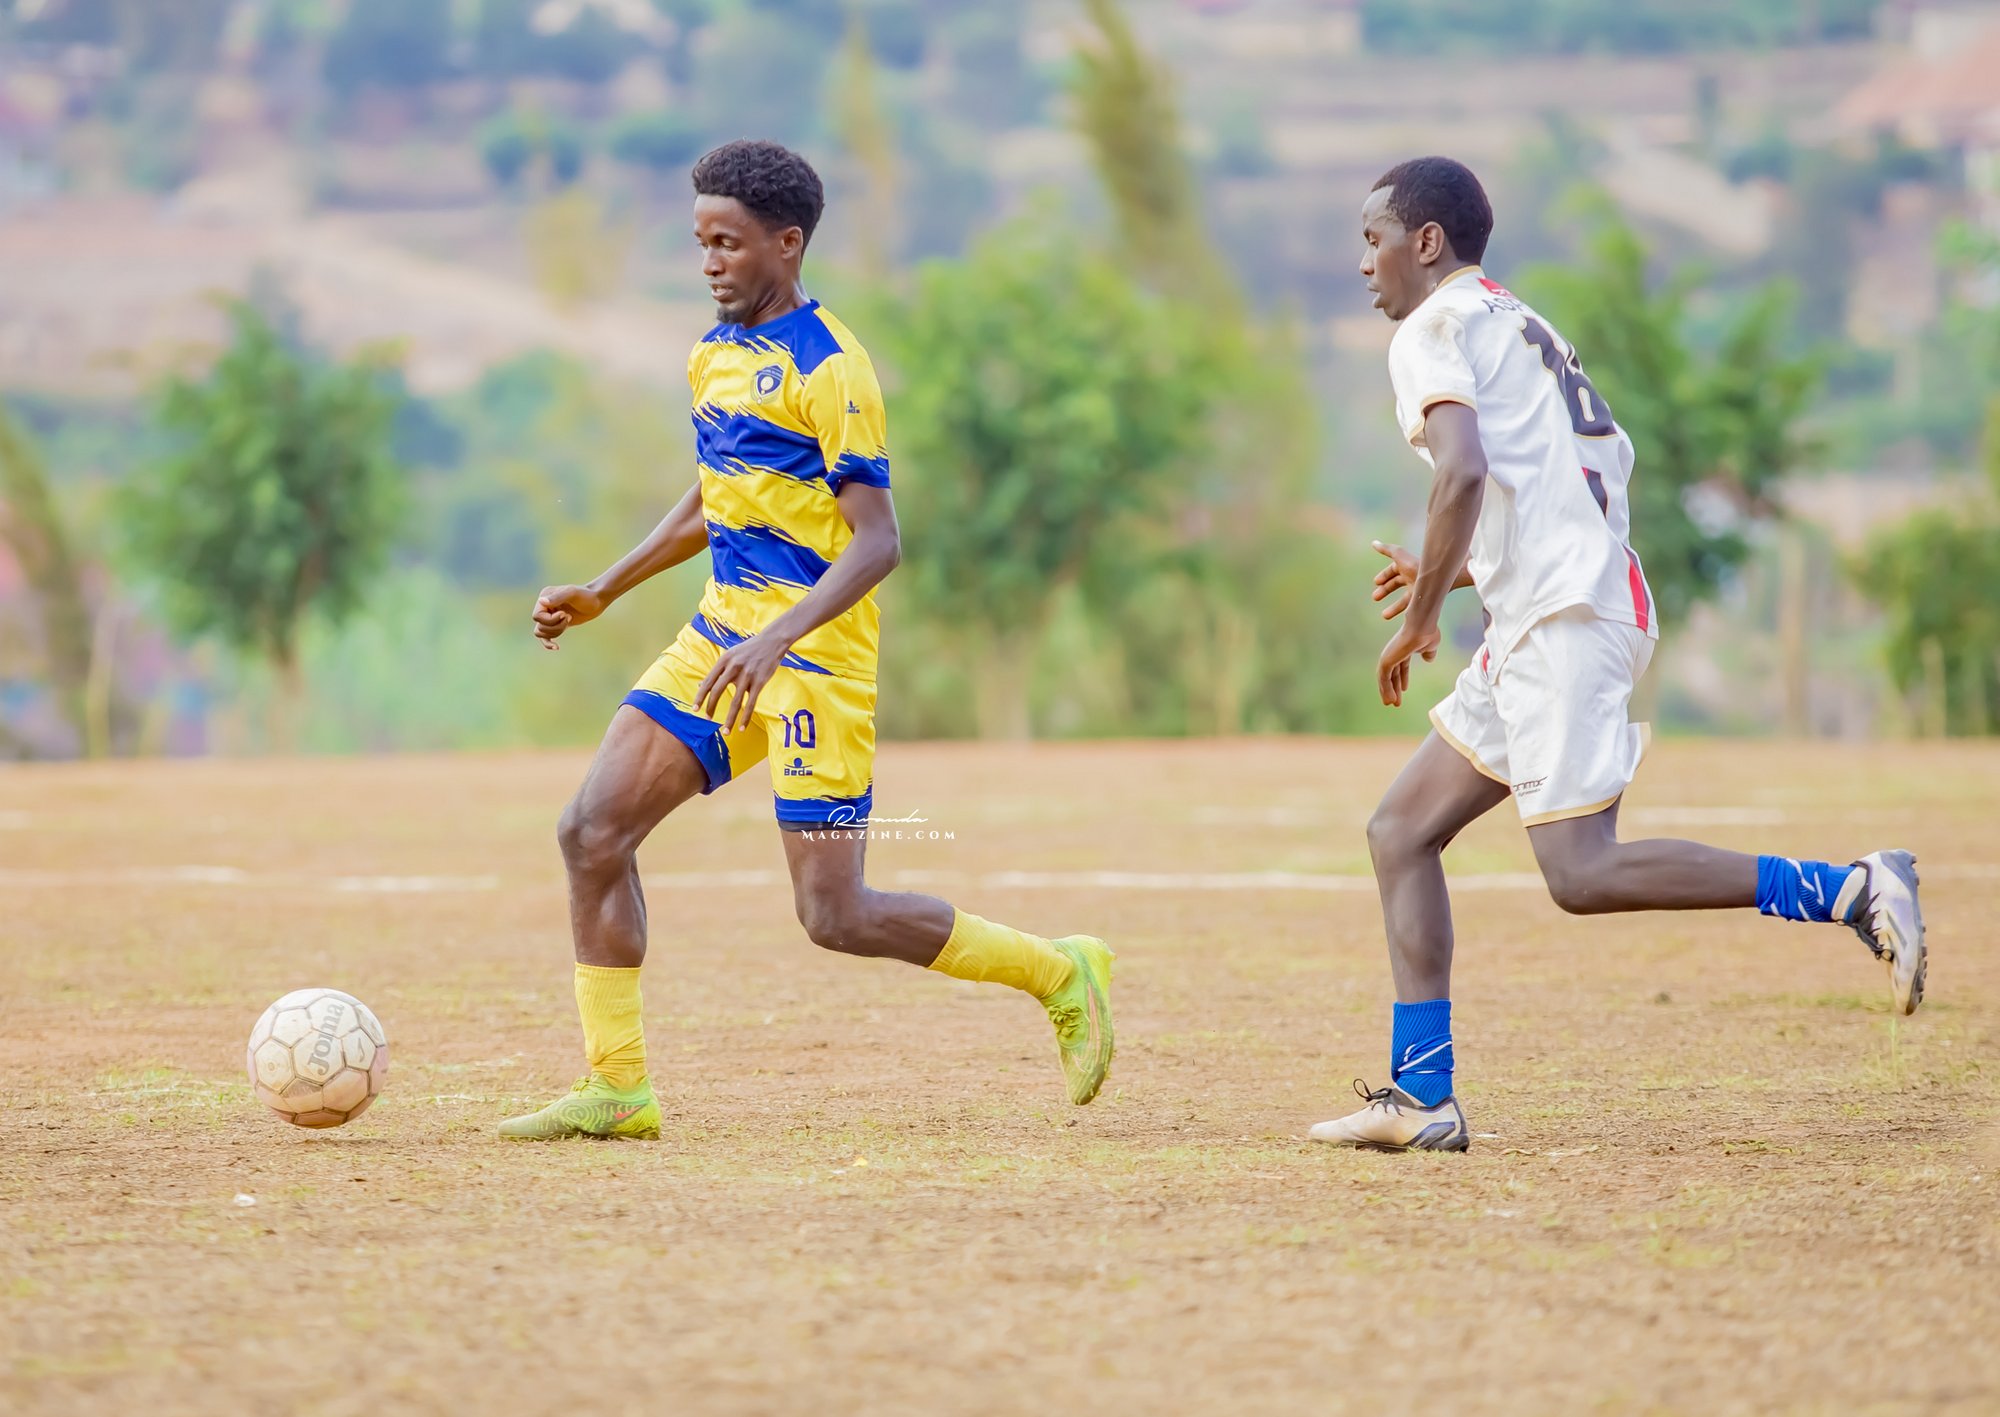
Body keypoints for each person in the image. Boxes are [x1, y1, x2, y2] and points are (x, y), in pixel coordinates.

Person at [1311, 155, 1926, 1153]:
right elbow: (1558, 485)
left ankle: (1851, 888)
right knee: (1400, 831)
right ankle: (1423, 1098)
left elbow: (1462, 472)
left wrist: (1422, 613)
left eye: (1372, 239)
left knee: (1580, 871)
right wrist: (1455, 572)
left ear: (1425, 241)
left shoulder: (1431, 328)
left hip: (1564, 617)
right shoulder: (1519, 323)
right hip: (1555, 607)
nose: (1363, 262)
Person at [499, 140, 1113, 1140]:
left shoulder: (832, 367)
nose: (710, 262)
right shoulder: (713, 353)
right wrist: (605, 587)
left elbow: (879, 541)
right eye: (701, 242)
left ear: (786, 244)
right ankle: (618, 1088)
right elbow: (719, 492)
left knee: (835, 916)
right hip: (722, 639)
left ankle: (1058, 970)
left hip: (812, 658)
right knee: (591, 831)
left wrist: (779, 639)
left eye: (729, 244)